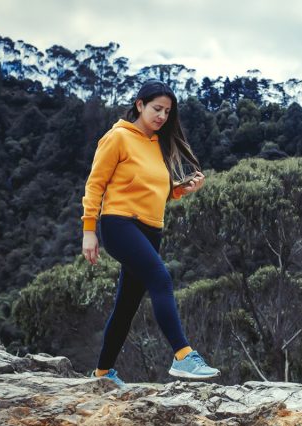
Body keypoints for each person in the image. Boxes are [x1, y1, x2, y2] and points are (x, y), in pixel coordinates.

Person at [80, 79, 220, 386]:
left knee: (126, 306)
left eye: (167, 112)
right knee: (161, 278)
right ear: (140, 105)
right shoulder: (117, 137)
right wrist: (89, 230)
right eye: (157, 108)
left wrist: (182, 190)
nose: (162, 116)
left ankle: (102, 374)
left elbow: (155, 191)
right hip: (120, 224)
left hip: (151, 229)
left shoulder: (158, 145)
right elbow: (95, 184)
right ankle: (183, 356)